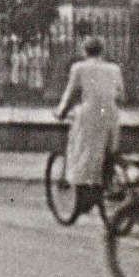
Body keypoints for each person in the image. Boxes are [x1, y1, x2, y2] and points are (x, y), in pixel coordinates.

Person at [55, 36, 125, 217]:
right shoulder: (114, 68)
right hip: (110, 114)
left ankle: (82, 193)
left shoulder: (79, 68)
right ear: (102, 51)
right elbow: (121, 96)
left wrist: (61, 112)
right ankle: (109, 184)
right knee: (107, 152)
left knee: (78, 149)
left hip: (89, 114)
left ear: (84, 51)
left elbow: (70, 94)